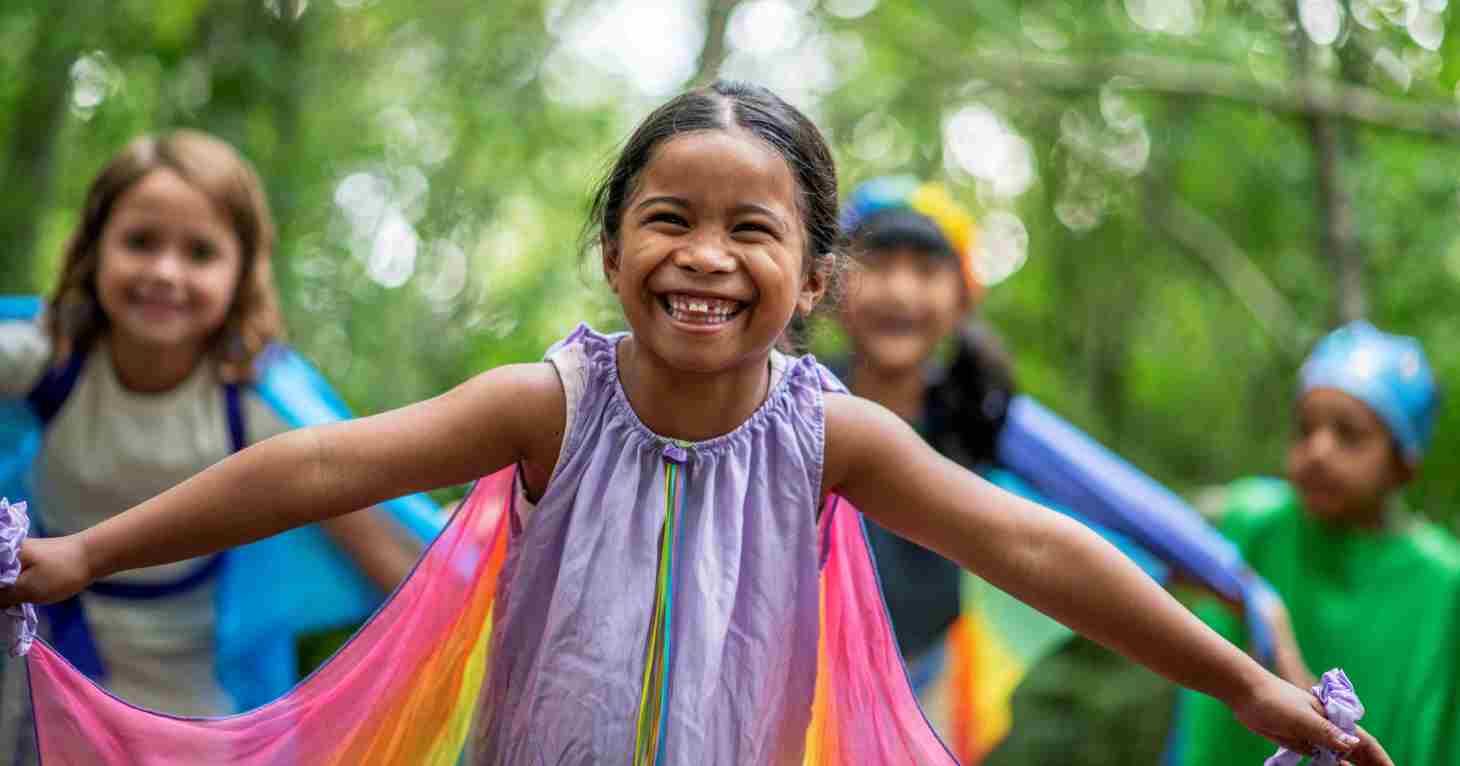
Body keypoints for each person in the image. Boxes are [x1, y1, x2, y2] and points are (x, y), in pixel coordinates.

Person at [1, 83, 1388, 765]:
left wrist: (1246, 683)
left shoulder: (830, 437)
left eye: (751, 230)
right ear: (614, 250)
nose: (705, 256)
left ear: (814, 279)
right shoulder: (550, 404)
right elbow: (315, 463)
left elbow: (1035, 546)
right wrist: (86, 553)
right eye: (668, 218)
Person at [836, 176, 1306, 764]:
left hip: (927, 689)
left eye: (926, 270)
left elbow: (1121, 504)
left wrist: (1246, 590)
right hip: (806, 675)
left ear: (962, 299)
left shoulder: (981, 415)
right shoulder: (804, 401)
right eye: (876, 264)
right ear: (827, 282)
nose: (899, 290)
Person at [0, 130, 432, 743]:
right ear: (95, 248)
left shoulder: (252, 404)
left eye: (200, 253)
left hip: (186, 709)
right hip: (38, 680)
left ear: (241, 272)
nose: (164, 272)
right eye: (140, 242)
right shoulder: (50, 359)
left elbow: (384, 550)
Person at [1171, 321, 1460, 766]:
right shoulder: (1250, 520)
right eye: (1305, 429)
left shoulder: (1443, 582)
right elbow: (1138, 526)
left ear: (1404, 463)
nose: (1318, 450)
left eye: (1349, 434)